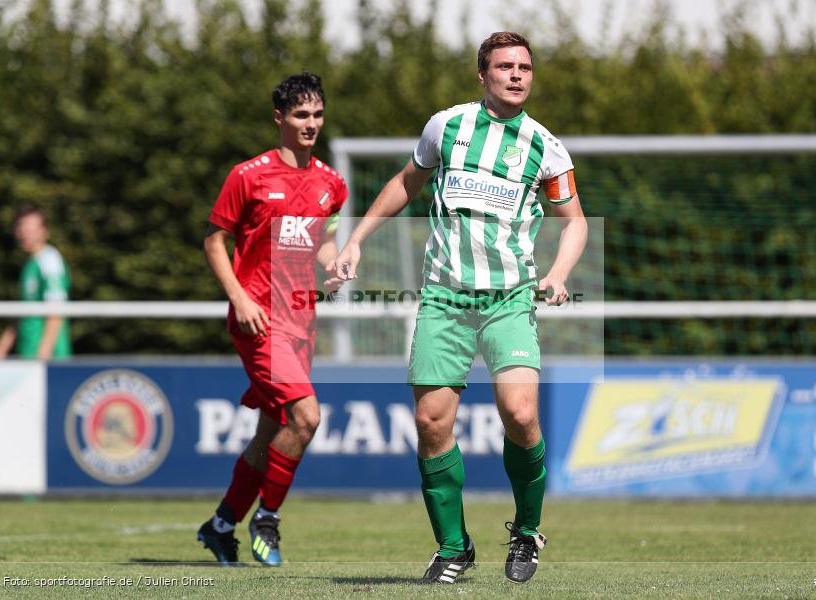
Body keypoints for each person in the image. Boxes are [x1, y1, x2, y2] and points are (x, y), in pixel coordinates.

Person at [334, 31, 588, 585]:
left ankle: (526, 532)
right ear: (483, 75)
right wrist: (356, 239)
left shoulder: (546, 146)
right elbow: (407, 181)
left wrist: (560, 274)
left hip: (510, 298)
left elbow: (576, 222)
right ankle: (453, 548)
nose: (517, 75)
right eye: (505, 67)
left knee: (520, 415)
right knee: (430, 422)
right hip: (444, 297)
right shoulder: (446, 126)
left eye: (525, 67)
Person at [197, 72, 347, 566]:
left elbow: (323, 239)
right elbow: (214, 241)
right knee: (306, 416)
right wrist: (239, 297)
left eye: (317, 114)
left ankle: (221, 526)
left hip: (302, 321)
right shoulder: (249, 175)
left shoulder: (332, 183)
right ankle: (269, 519)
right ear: (279, 117)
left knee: (271, 432)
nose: (311, 124)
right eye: (301, 115)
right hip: (259, 320)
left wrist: (335, 263)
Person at [0, 203, 72, 360]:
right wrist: (0, 349)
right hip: (27, 354)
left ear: (44, 231)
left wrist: (43, 355)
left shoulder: (50, 261)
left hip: (48, 358)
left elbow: (56, 311)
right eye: (22, 227)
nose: (26, 233)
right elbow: (21, 314)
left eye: (31, 228)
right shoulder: (30, 264)